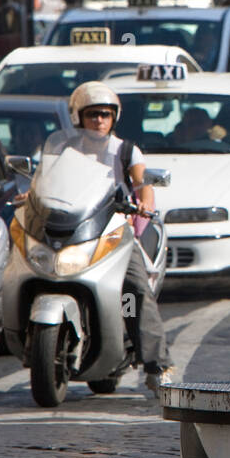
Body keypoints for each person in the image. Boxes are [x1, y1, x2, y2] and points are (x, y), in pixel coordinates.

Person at [61, 82, 175, 395]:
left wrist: (145, 200)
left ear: (114, 118)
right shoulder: (66, 150)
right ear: (79, 117)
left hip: (114, 231)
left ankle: (157, 365)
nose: (99, 120)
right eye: (92, 114)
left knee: (136, 288)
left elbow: (141, 181)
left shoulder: (126, 150)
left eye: (105, 114)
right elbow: (49, 180)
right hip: (75, 230)